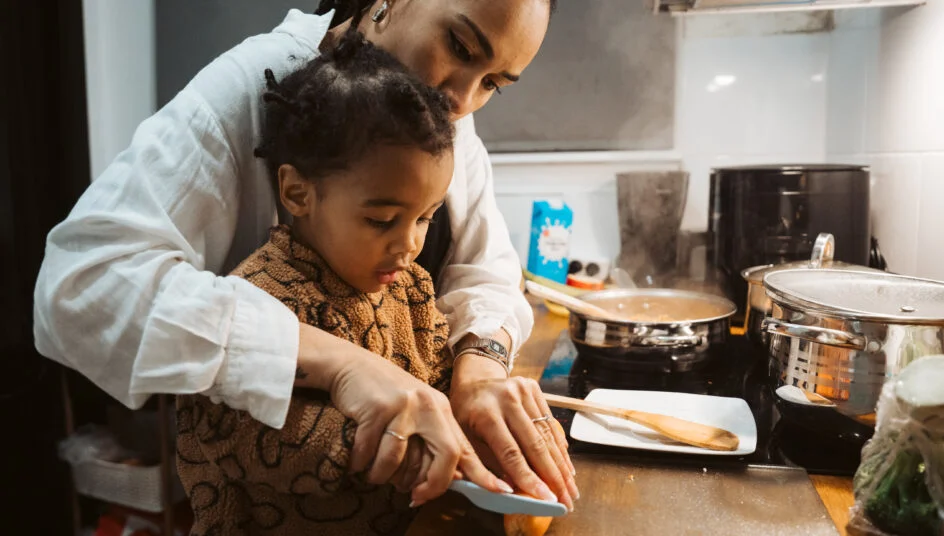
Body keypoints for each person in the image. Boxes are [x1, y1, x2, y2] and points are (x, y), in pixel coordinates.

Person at [33, 0, 577, 510]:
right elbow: (80, 287)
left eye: (493, 85)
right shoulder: (248, 87)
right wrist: (343, 366)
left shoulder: (443, 112)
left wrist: (481, 371)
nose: (462, 102)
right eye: (459, 47)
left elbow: (485, 269)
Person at [178, 32, 473, 534]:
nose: (409, 245)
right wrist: (386, 447)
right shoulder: (258, 301)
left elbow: (437, 391)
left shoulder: (413, 290)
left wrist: (471, 425)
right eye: (382, 220)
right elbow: (228, 430)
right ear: (297, 192)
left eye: (425, 218)